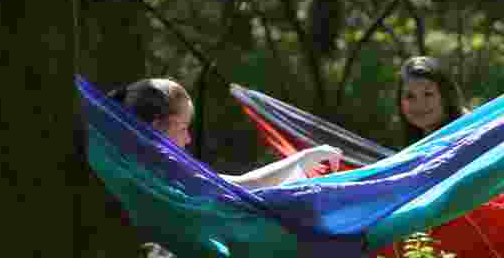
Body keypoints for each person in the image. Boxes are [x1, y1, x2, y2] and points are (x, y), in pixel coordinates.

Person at [108, 78, 341, 190]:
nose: (188, 139)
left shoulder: (125, 162)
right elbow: (244, 185)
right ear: (156, 127)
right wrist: (303, 158)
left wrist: (303, 158)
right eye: (182, 128)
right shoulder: (167, 172)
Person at [396, 56, 467, 147]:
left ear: (446, 96)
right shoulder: (416, 140)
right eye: (410, 96)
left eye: (428, 94)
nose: (420, 104)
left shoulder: (471, 132)